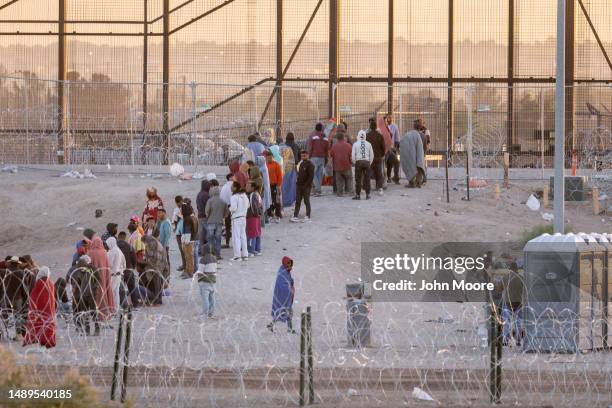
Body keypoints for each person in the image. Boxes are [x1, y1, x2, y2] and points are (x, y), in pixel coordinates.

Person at [23, 266, 56, 348]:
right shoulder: (51, 283)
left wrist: (32, 308)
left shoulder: (39, 283)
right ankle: (49, 341)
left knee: (39, 324)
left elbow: (34, 296)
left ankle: (41, 340)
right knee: (48, 325)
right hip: (49, 309)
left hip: (40, 308)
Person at [0, 256, 31, 341]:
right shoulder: (21, 273)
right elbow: (24, 288)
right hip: (18, 298)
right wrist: (26, 299)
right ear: (17, 264)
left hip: (5, 298)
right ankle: (18, 335)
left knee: (5, 316)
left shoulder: (3, 272)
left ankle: (6, 334)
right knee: (18, 316)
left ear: (10, 263)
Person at [69, 255, 100, 336]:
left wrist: (94, 289)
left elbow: (98, 280)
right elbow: (78, 281)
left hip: (91, 295)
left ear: (86, 264)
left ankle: (97, 329)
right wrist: (75, 288)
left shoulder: (93, 270)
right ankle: (87, 330)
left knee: (93, 312)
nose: (80, 269)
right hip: (83, 295)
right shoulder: (80, 271)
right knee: (85, 313)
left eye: (81, 267)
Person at [88, 236, 115, 320]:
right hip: (104, 276)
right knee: (104, 293)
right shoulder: (104, 252)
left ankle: (95, 314)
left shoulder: (90, 253)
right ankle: (105, 313)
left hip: (94, 277)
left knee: (95, 295)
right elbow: (107, 266)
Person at [267, 256, 296, 333]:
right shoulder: (282, 272)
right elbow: (283, 284)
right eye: (288, 263)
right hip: (282, 297)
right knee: (283, 311)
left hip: (286, 297)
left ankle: (289, 329)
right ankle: (272, 325)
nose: (289, 265)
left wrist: (291, 285)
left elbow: (289, 280)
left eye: (290, 263)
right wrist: (290, 289)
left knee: (288, 312)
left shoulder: (286, 271)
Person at [141, 234, 168, 306]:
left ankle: (157, 299)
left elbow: (151, 255)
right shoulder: (155, 241)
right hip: (161, 264)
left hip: (157, 265)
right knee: (159, 282)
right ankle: (159, 299)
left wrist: (145, 260)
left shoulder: (150, 243)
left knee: (157, 283)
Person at [502, 265, 524, 346]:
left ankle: (505, 340)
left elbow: (499, 288)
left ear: (510, 269)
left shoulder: (505, 278)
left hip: (508, 303)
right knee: (518, 322)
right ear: (517, 269)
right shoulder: (521, 278)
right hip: (518, 303)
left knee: (506, 322)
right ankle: (518, 340)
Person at [400, 119, 426, 188]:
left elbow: (402, 142)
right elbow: (425, 147)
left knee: (412, 167)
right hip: (420, 154)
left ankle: (412, 182)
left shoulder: (409, 134)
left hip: (411, 155)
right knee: (420, 166)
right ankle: (419, 182)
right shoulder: (423, 135)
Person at [205, 186, 228, 259]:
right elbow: (227, 212)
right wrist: (222, 216)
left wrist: (208, 217)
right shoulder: (223, 201)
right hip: (219, 222)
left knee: (210, 239)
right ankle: (218, 255)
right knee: (218, 239)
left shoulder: (210, 201)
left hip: (211, 222)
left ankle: (211, 254)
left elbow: (207, 211)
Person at [291, 150, 315, 222]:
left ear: (308, 156)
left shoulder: (311, 165)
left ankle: (308, 216)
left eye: (304, 156)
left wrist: (306, 185)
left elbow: (311, 177)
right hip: (299, 186)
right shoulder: (301, 164)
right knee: (298, 201)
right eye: (302, 156)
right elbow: (299, 174)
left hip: (306, 186)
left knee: (306, 201)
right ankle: (295, 215)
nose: (303, 157)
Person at [229, 181, 250, 261]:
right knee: (243, 236)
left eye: (232, 186)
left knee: (236, 237)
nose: (231, 187)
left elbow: (233, 208)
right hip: (243, 218)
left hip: (236, 218)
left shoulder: (234, 197)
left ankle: (237, 256)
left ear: (235, 187)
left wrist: (229, 209)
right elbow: (248, 205)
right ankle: (245, 254)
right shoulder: (244, 196)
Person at [307, 123, 329, 196]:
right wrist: (326, 158)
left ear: (315, 128)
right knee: (319, 174)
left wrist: (308, 156)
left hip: (314, 157)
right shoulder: (325, 137)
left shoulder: (312, 136)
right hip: (322, 158)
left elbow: (310, 147)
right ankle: (318, 190)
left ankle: (318, 189)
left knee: (312, 174)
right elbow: (327, 149)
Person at [117, 231, 138, 307]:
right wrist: (133, 266)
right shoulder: (129, 246)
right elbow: (134, 259)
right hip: (128, 270)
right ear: (125, 237)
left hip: (118, 272)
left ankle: (121, 305)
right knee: (132, 288)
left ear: (118, 237)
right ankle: (135, 304)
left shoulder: (115, 246)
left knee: (119, 290)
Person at [196, 244, 217, 318]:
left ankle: (205, 313)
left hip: (205, 281)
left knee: (205, 299)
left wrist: (197, 278)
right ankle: (211, 313)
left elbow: (200, 271)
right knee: (212, 298)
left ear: (204, 251)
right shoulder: (214, 258)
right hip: (213, 281)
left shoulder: (203, 259)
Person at [352, 130, 374, 200]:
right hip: (367, 162)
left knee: (358, 179)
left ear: (358, 135)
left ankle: (358, 195)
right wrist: (369, 162)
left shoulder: (355, 144)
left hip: (358, 162)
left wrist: (355, 162)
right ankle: (368, 194)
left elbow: (353, 155)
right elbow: (372, 155)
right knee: (367, 179)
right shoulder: (369, 144)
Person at [366, 118, 386, 196]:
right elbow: (383, 147)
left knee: (368, 172)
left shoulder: (367, 136)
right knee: (379, 172)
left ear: (370, 127)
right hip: (378, 157)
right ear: (376, 127)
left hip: (370, 157)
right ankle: (380, 188)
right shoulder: (380, 136)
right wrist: (382, 154)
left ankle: (368, 188)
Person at [330, 131, 353, 197]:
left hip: (337, 166)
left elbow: (331, 154)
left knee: (339, 180)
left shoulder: (334, 146)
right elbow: (351, 155)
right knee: (349, 179)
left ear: (337, 138)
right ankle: (350, 191)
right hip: (347, 165)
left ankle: (339, 192)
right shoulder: (348, 145)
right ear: (344, 138)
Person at [106, 237, 126, 313]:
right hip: (119, 274)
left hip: (112, 275)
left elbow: (109, 264)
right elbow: (124, 262)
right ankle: (116, 308)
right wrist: (121, 270)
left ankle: (112, 309)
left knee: (111, 292)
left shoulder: (112, 252)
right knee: (116, 293)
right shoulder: (119, 251)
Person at [179, 202, 198, 278]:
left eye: (181, 209)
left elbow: (187, 231)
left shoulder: (187, 219)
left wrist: (185, 242)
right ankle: (187, 270)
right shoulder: (192, 217)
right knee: (188, 257)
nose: (180, 210)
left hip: (188, 241)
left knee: (188, 257)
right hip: (192, 239)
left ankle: (190, 272)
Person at [265, 151, 283, 223]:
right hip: (267, 186)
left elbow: (280, 176)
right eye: (268, 158)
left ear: (273, 157)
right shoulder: (264, 165)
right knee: (268, 201)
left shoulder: (276, 165)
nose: (269, 159)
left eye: (271, 158)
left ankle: (278, 215)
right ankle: (270, 215)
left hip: (274, 185)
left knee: (276, 200)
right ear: (266, 158)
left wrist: (279, 185)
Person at [246, 181, 263, 256]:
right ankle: (257, 249)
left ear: (252, 187)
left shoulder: (252, 195)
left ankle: (251, 250)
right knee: (257, 233)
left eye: (248, 186)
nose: (246, 187)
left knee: (251, 234)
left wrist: (255, 214)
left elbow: (254, 206)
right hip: (257, 217)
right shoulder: (257, 194)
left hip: (252, 217)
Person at [385, 114, 401, 184]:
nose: (390, 119)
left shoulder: (395, 126)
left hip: (391, 149)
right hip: (384, 149)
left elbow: (397, 139)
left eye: (391, 118)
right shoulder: (383, 127)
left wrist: (396, 148)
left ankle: (395, 178)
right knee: (386, 163)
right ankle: (387, 177)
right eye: (388, 118)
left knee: (393, 163)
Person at [196, 179, 212, 249]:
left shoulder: (199, 194)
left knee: (201, 235)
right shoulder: (206, 195)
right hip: (206, 216)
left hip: (200, 216)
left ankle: (200, 249)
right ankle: (208, 249)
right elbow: (208, 206)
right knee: (209, 234)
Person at [172, 196, 186, 272]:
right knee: (182, 249)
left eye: (179, 202)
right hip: (180, 232)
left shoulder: (183, 209)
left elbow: (175, 220)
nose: (179, 204)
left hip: (182, 232)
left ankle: (185, 265)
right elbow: (174, 220)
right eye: (178, 203)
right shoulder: (177, 209)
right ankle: (184, 264)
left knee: (184, 249)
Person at [220, 174, 234, 249]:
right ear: (230, 178)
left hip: (225, 207)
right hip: (232, 207)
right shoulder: (232, 186)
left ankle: (227, 242)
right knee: (235, 226)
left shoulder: (224, 187)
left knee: (227, 226)